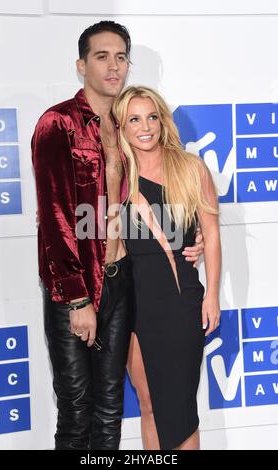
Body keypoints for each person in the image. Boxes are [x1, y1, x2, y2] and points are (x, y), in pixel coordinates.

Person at [32, 21, 203, 450]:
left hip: (122, 283)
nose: (113, 66)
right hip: (76, 289)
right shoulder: (58, 124)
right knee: (76, 409)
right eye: (101, 56)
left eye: (121, 57)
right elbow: (55, 218)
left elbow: (153, 200)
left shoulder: (129, 127)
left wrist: (189, 239)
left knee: (109, 409)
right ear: (81, 65)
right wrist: (77, 299)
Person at [113, 86, 221, 450]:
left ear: (162, 120)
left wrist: (213, 297)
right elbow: (90, 229)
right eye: (134, 119)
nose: (145, 127)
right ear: (121, 127)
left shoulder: (191, 168)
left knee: (178, 408)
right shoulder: (115, 177)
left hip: (179, 299)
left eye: (152, 117)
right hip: (130, 302)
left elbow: (212, 235)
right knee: (147, 403)